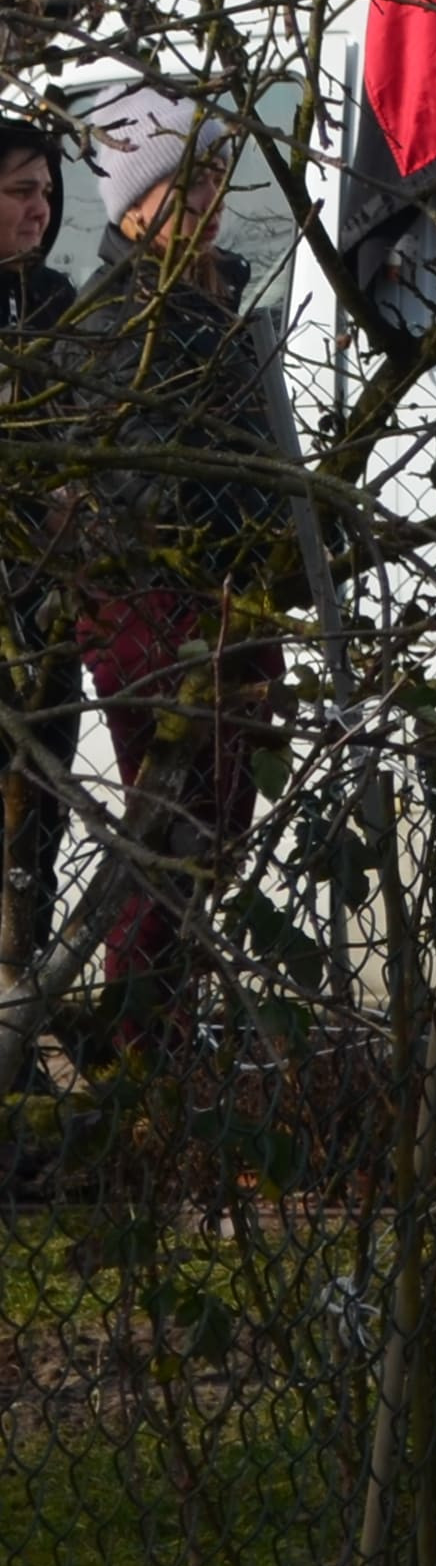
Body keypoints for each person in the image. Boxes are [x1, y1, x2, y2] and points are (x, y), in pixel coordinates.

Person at [35, 93, 296, 1046]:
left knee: (212, 813)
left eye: (216, 175)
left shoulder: (213, 300)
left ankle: (152, 1023)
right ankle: (137, 1031)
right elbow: (142, 484)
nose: (209, 198)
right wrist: (232, 571)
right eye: (185, 182)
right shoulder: (123, 320)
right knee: (180, 806)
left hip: (229, 593)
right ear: (133, 204)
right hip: (163, 601)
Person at [0, 117, 80, 986]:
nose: (41, 209)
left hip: (46, 603)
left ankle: (19, 1006)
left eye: (48, 194)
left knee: (39, 812)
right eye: (22, 191)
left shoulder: (57, 301)